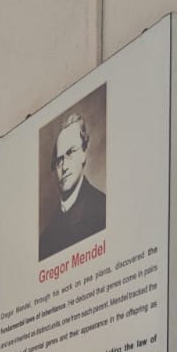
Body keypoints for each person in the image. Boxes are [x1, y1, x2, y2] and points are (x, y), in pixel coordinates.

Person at [38, 108, 106, 261]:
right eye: (58, 160)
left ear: (84, 153)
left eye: (70, 153)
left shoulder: (103, 209)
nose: (64, 166)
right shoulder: (45, 239)